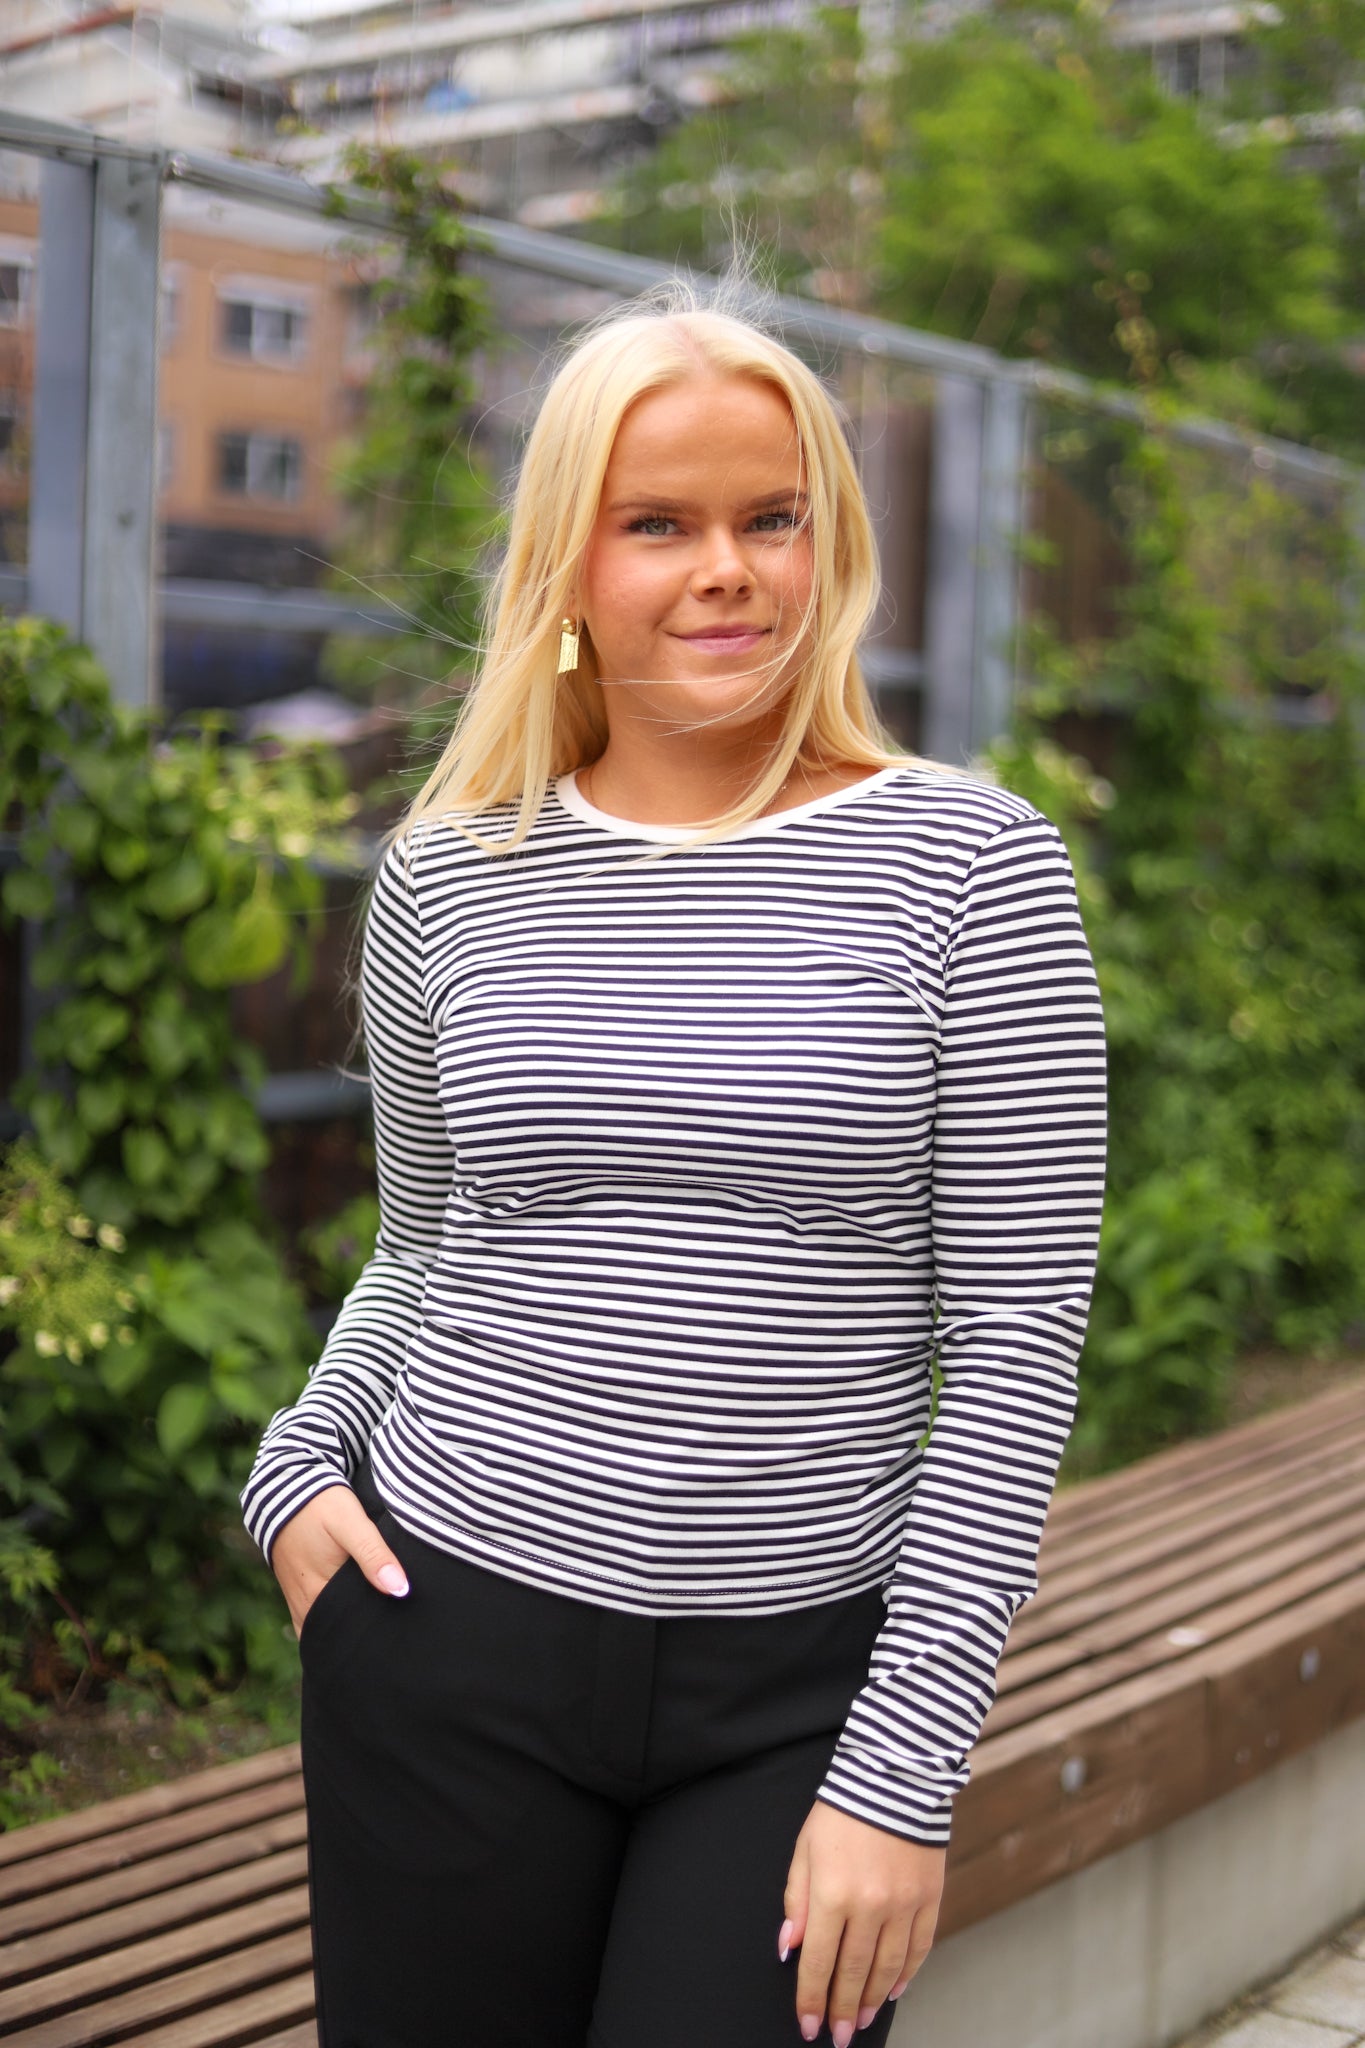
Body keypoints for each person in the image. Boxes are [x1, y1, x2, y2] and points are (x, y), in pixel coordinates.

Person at [241, 287, 1108, 2048]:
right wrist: (298, 1459)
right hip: (442, 1639)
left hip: (791, 1698)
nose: (726, 571)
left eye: (769, 518)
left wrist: (902, 1776)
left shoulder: (971, 867)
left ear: (826, 543)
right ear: (567, 563)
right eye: (658, 524)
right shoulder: (449, 875)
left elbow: (1013, 1347)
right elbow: (424, 1245)